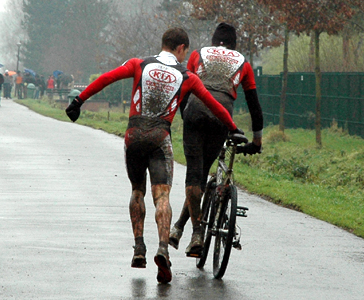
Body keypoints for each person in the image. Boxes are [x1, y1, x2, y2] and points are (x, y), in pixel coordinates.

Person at [65, 27, 243, 284]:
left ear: (163, 43)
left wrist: (79, 101)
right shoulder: (187, 76)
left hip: (134, 136)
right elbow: (214, 106)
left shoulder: (140, 64)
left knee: (137, 191)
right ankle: (162, 248)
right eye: (184, 52)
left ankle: (139, 247)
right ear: (181, 48)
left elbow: (107, 78)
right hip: (160, 139)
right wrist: (234, 128)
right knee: (162, 196)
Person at [169, 23, 264, 257]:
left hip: (195, 112)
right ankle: (183, 229)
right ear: (234, 44)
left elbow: (184, 90)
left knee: (195, 176)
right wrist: (257, 141)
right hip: (222, 118)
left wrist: (186, 117)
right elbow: (254, 106)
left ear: (213, 41)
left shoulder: (197, 55)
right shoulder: (243, 63)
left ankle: (194, 233)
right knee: (202, 175)